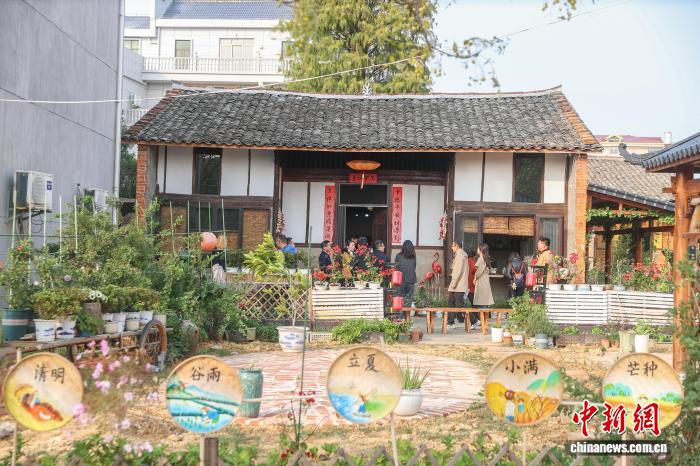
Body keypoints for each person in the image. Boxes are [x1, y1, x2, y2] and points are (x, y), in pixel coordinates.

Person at [447, 241, 470, 327]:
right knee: (451, 302)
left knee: (459, 304)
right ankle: (450, 321)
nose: (451, 248)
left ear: (457, 246)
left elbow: (457, 272)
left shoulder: (460, 256)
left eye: (453, 246)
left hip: (458, 284)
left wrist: (453, 284)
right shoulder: (461, 255)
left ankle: (474, 320)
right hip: (459, 284)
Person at [473, 243, 494, 329]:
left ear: (481, 250)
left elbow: (478, 272)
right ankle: (485, 323)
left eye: (478, 248)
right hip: (485, 282)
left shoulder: (481, 259)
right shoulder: (486, 258)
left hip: (481, 282)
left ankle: (483, 323)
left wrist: (475, 279)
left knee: (481, 304)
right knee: (484, 303)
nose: (477, 249)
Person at [395, 240, 417, 308]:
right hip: (411, 279)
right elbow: (414, 267)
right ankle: (407, 313)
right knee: (409, 299)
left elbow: (396, 267)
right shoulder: (413, 257)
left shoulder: (398, 256)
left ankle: (400, 313)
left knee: (400, 298)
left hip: (401, 280)